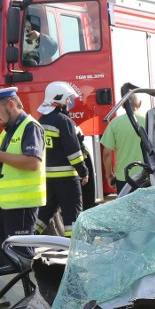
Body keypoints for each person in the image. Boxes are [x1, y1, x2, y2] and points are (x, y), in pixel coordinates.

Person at [0, 87, 46, 268]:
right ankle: (8, 296)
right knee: (1, 262)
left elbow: (33, 163)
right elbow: (5, 165)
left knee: (19, 260)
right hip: (5, 204)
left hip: (21, 205)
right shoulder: (8, 131)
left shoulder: (30, 127)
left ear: (11, 105)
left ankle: (26, 296)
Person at [34, 82, 89, 237]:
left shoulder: (41, 121)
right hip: (67, 179)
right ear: (61, 99)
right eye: (68, 99)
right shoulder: (64, 121)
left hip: (47, 179)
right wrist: (83, 171)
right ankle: (73, 247)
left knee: (44, 213)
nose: (69, 102)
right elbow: (73, 152)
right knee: (72, 215)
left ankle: (28, 241)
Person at [100, 83, 145, 193]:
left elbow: (107, 154)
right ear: (139, 104)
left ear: (123, 105)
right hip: (147, 175)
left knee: (126, 209)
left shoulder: (114, 123)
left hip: (124, 177)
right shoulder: (149, 120)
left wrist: (109, 176)